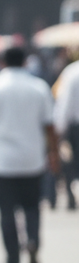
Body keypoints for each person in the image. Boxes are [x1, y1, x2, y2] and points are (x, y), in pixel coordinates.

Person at [0, 46, 58, 263]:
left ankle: (12, 261)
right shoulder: (38, 88)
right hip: (32, 160)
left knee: (7, 212)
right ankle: (33, 241)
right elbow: (50, 126)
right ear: (25, 62)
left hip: (2, 162)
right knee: (32, 208)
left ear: (2, 62)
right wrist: (54, 154)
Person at [53, 53, 79, 211]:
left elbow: (65, 103)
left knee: (73, 164)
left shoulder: (72, 72)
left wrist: (59, 130)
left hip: (75, 127)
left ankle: (72, 194)